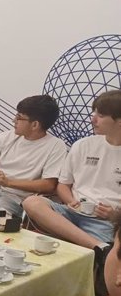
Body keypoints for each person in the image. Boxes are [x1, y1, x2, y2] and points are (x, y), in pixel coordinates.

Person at [22, 90, 121, 277]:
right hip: (72, 212)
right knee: (32, 202)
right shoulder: (83, 145)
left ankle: (93, 247)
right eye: (94, 114)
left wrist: (114, 214)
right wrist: (69, 201)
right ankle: (99, 247)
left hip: (108, 222)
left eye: (100, 115)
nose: (93, 120)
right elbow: (63, 185)